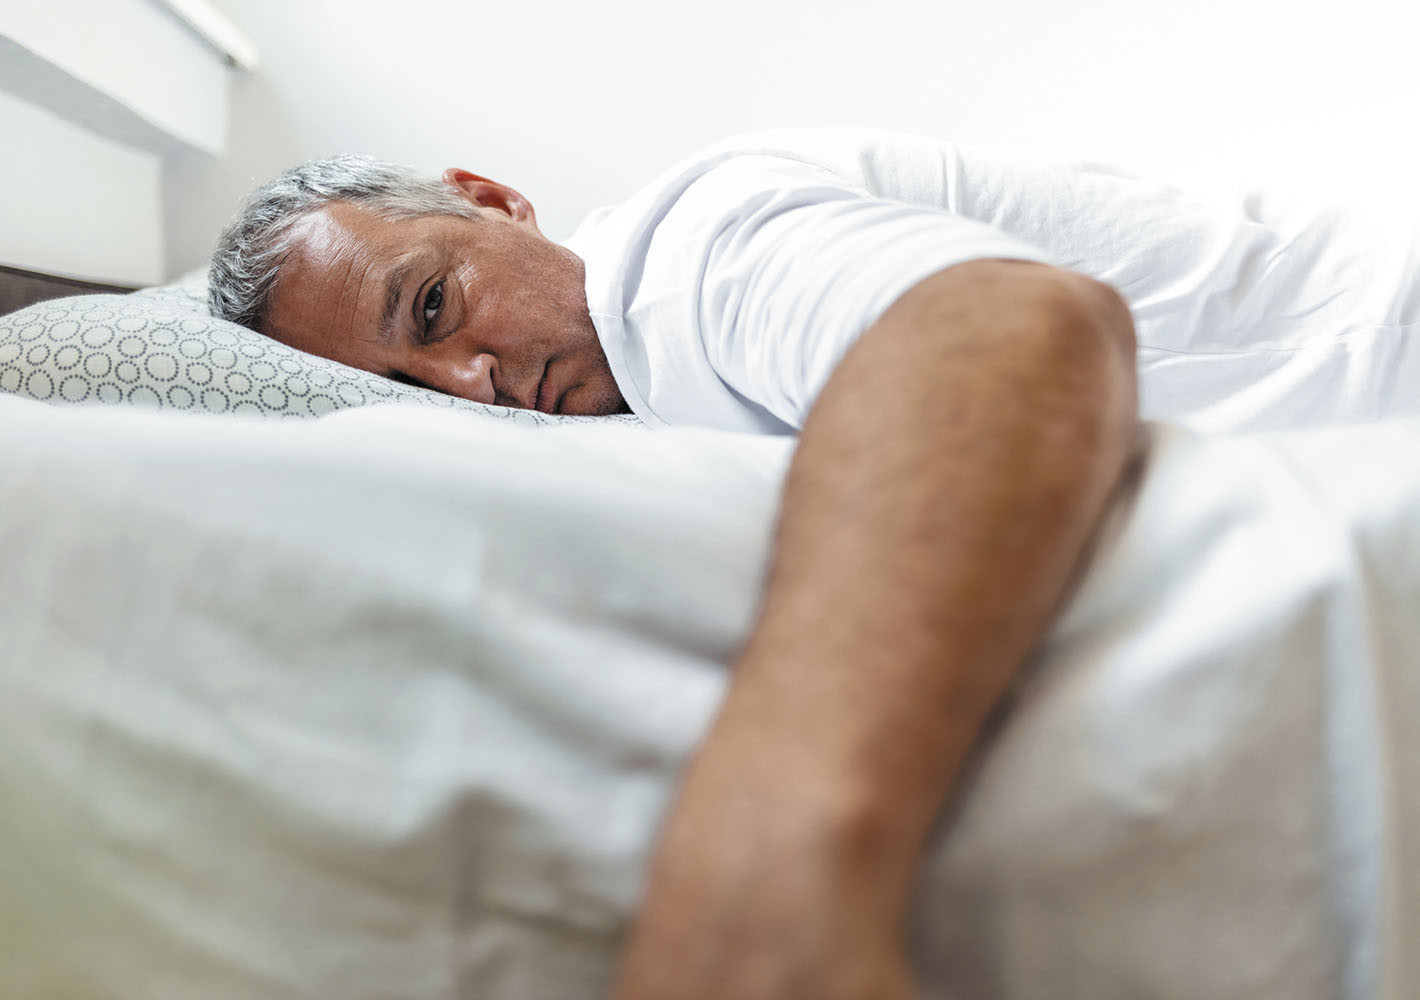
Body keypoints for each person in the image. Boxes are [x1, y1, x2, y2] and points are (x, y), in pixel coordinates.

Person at [206, 128, 1415, 999]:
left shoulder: (685, 255)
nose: (469, 381)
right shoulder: (640, 400)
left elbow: (1008, 331)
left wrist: (771, 868)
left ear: (493, 201)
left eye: (430, 308)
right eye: (413, 391)